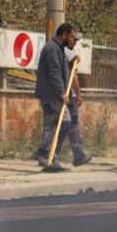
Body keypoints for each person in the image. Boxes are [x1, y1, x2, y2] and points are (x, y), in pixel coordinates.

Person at [33, 22, 91, 169]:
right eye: (72, 37)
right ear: (64, 35)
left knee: (58, 125)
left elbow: (61, 71)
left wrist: (70, 63)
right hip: (52, 96)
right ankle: (46, 153)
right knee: (63, 124)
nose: (74, 41)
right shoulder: (52, 49)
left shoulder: (59, 49)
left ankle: (50, 156)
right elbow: (54, 74)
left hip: (55, 95)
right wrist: (61, 93)